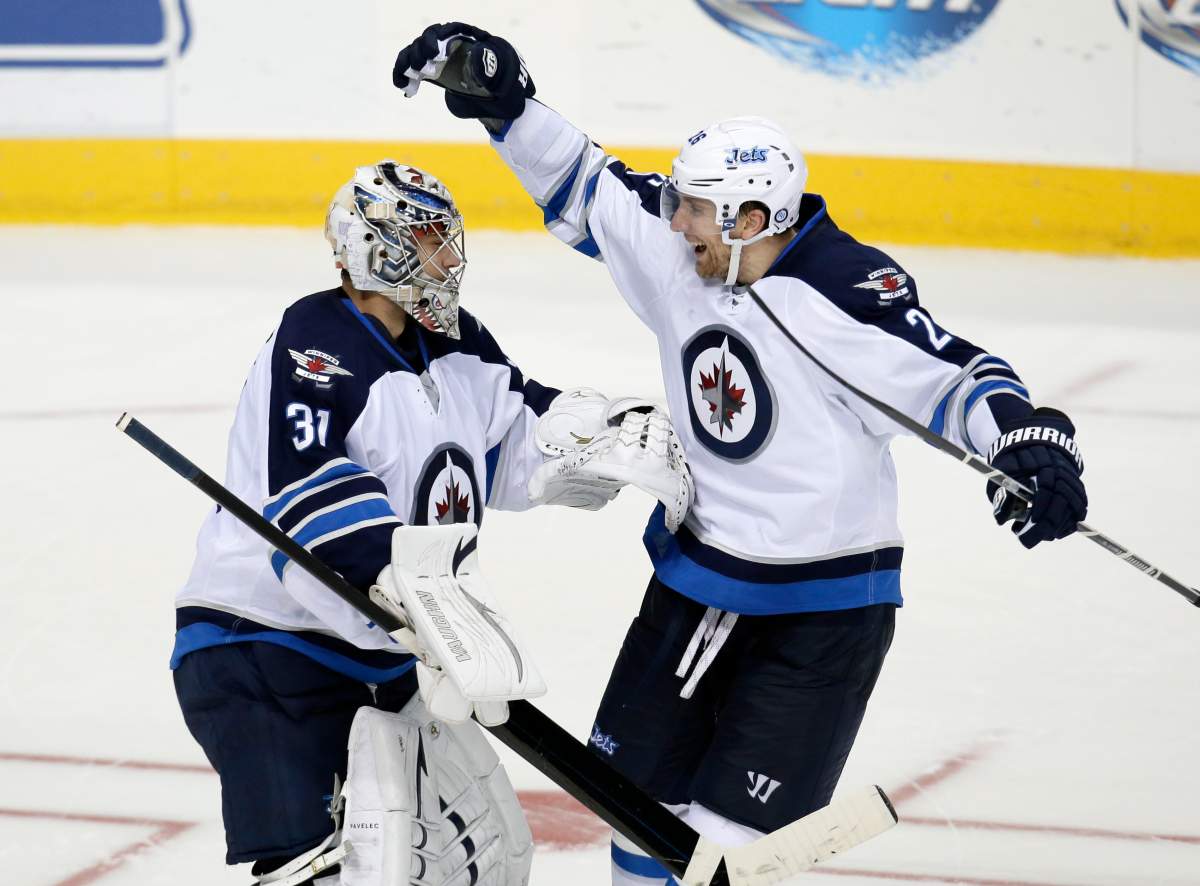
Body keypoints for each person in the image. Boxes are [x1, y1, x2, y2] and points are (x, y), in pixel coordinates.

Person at [393, 24, 1090, 885]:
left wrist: (1025, 437)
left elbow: (956, 376)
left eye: (691, 205)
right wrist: (507, 104)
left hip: (821, 619)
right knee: (634, 813)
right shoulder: (687, 253)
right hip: (694, 588)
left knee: (729, 855)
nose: (671, 216)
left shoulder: (844, 292)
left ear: (752, 217)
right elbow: (592, 183)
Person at [169, 159, 693, 884]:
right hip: (264, 649)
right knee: (315, 868)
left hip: (385, 660)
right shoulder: (317, 341)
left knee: (459, 862)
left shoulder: (453, 340)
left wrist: (593, 440)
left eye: (448, 239)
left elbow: (512, 437)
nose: (449, 258)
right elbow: (309, 492)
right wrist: (399, 581)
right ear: (376, 248)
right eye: (428, 240)